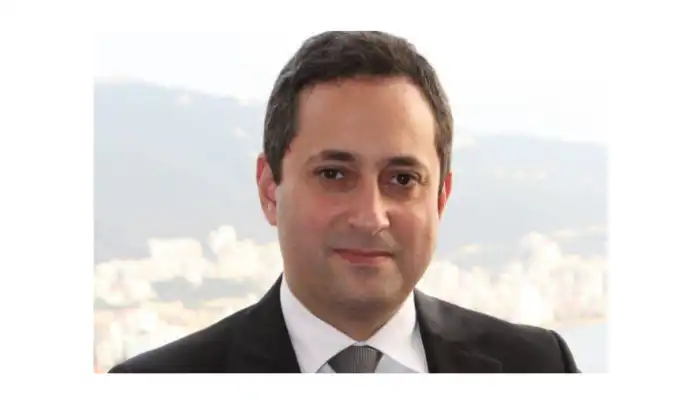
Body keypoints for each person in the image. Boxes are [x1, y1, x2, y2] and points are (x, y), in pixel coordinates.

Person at [109, 30, 580, 374]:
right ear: (270, 189)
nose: (370, 217)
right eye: (334, 174)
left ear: (441, 198)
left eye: (402, 179)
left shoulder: (539, 368)